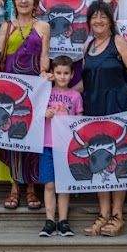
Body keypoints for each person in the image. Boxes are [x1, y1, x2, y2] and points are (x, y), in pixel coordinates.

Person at [80, 0, 127, 237]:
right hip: (93, 107)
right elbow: (84, 82)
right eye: (94, 17)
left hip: (117, 105)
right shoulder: (87, 46)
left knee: (118, 159)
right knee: (99, 159)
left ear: (110, 21)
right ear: (89, 21)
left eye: (103, 16)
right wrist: (60, 92)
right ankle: (102, 215)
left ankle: (117, 215)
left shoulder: (118, 42)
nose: (98, 21)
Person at [0, 0, 50, 210]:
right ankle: (15, 187)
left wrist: (45, 75)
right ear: (14, 2)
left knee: (32, 136)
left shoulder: (44, 26)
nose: (24, 1)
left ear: (35, 3)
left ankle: (31, 188)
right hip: (10, 88)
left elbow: (45, 54)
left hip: (34, 87)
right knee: (12, 136)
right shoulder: (6, 26)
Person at [38, 56, 83, 237]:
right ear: (52, 74)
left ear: (72, 75)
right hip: (47, 144)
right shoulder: (45, 92)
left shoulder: (76, 96)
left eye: (66, 73)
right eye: (58, 73)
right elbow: (35, 114)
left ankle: (63, 221)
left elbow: (79, 121)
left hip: (66, 147)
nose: (62, 77)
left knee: (64, 185)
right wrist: (44, 113)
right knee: (49, 184)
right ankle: (50, 221)